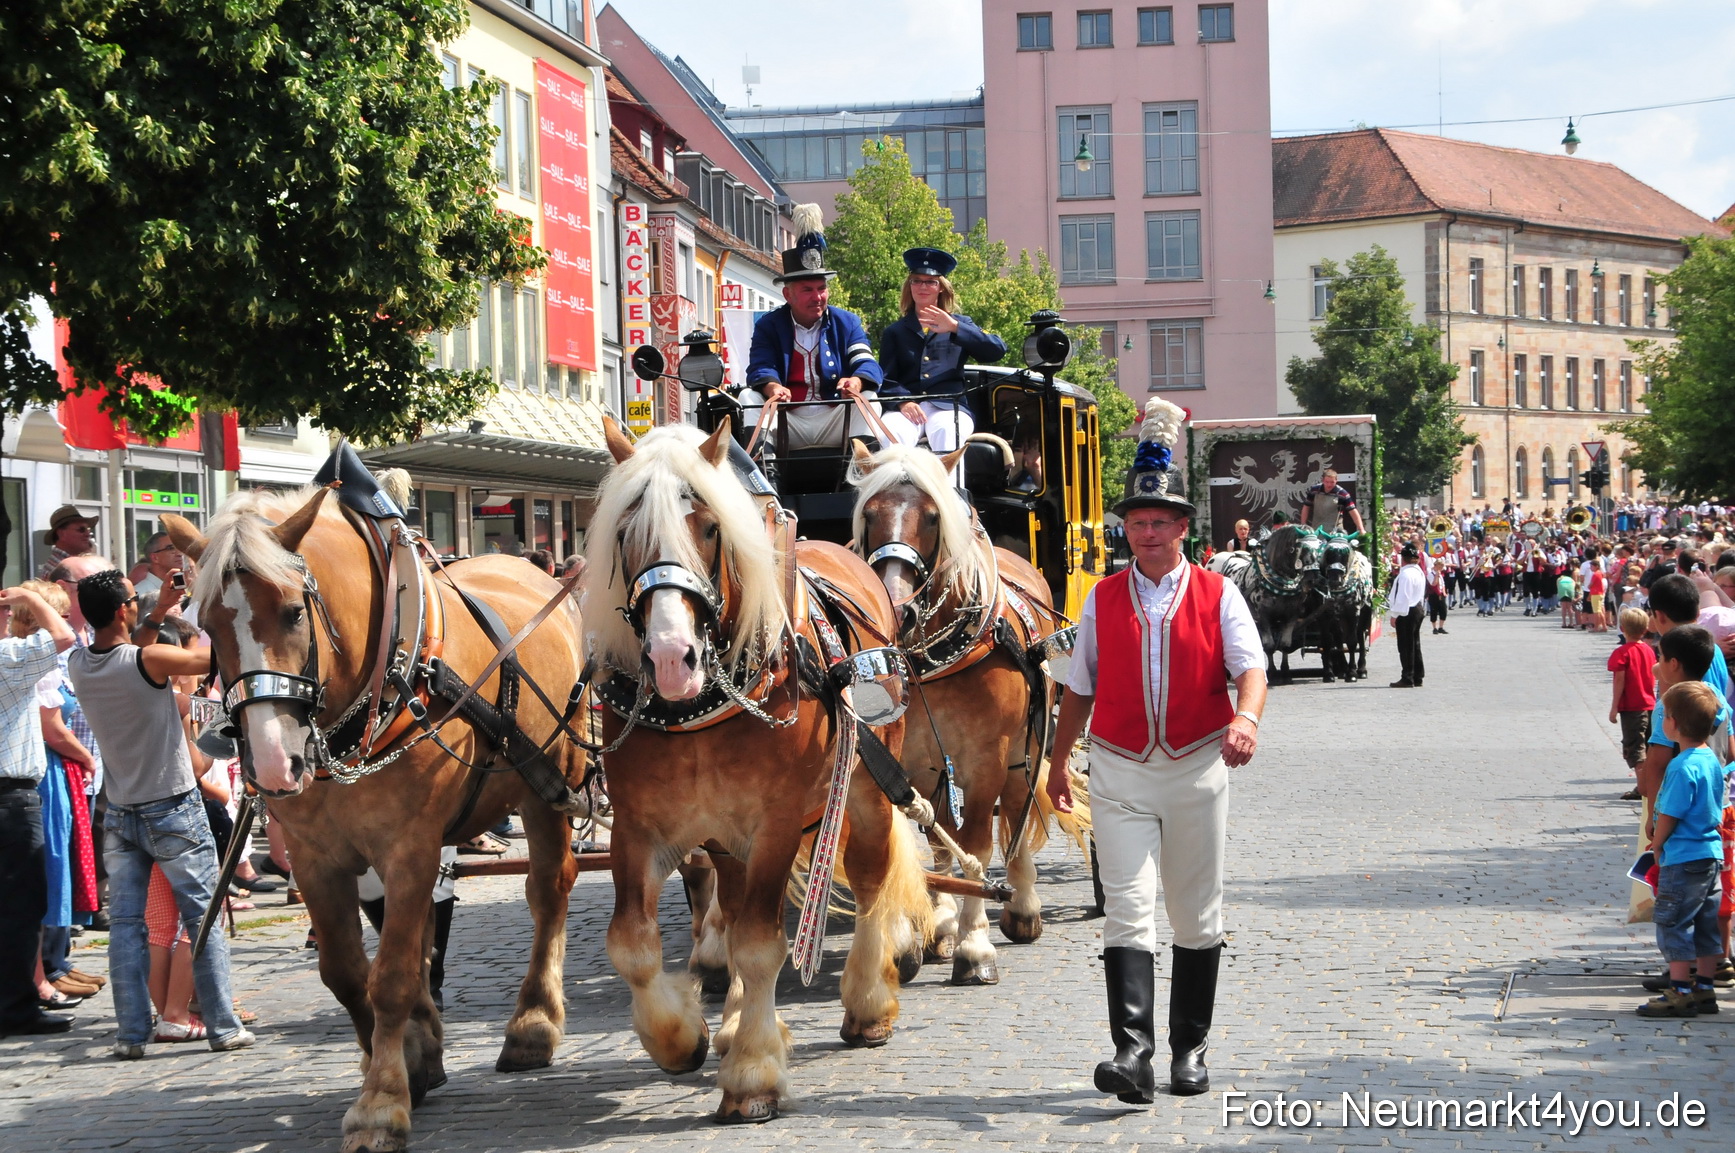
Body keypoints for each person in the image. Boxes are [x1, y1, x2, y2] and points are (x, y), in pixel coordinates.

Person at [1045, 397, 1267, 1101]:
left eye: (1158, 522)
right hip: (1117, 772)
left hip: (1198, 766)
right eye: (1136, 523)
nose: (1145, 533)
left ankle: (1186, 1050)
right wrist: (1056, 763)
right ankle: (1131, 1053)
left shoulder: (1216, 592)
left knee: (1195, 911)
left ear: (1180, 527)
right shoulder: (1102, 598)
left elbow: (1250, 669)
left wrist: (1247, 720)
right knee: (1126, 908)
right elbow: (1076, 686)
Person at [67, 568, 254, 1058]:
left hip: (122, 807)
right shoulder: (147, 659)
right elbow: (212, 656)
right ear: (121, 610)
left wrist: (156, 611)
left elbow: (133, 648)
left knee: (128, 926)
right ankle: (223, 1026)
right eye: (133, 599)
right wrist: (206, 606)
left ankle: (131, 1034)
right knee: (202, 917)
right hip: (171, 804)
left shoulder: (79, 664)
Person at [739, 204, 884, 452]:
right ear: (788, 294)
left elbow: (867, 363)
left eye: (821, 288)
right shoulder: (768, 325)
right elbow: (760, 367)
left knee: (869, 400)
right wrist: (774, 388)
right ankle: (766, 483)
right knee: (748, 399)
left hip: (836, 419)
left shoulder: (847, 322)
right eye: (807, 290)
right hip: (787, 420)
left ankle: (864, 477)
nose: (817, 297)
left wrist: (857, 382)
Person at [0, 583, 79, 1037]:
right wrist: (32, 602)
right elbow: (63, 637)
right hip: (10, 798)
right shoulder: (8, 660)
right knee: (19, 909)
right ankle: (14, 1007)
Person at [1638, 681, 1726, 1018]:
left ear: (1673, 722)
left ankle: (1680, 991)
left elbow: (1671, 812)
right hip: (1710, 854)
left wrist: (1657, 844)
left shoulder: (1681, 765)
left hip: (1683, 856)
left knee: (1674, 922)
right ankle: (1705, 987)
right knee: (1705, 922)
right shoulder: (1709, 761)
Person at [875, 247, 1007, 460]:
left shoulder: (961, 324)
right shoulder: (895, 331)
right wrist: (903, 402)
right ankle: (898, 493)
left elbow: (996, 350)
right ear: (909, 287)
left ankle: (949, 491)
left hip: (948, 406)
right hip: (908, 408)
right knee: (892, 432)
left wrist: (955, 327)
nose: (922, 286)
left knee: (947, 431)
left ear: (941, 288)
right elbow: (886, 378)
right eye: (916, 280)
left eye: (930, 281)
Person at [1611, 607, 1659, 801]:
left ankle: (1642, 787)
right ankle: (1648, 782)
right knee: (1648, 744)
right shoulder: (1649, 650)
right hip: (1650, 704)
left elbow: (1619, 680)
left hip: (1632, 706)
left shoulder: (1622, 652)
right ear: (1646, 628)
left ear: (1622, 628)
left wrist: (1614, 707)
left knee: (1635, 746)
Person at [1388, 543, 1426, 688]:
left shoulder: (1406, 574)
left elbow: (1403, 597)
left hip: (1407, 611)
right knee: (1415, 644)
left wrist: (1395, 615)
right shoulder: (1418, 571)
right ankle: (1418, 675)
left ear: (1403, 558)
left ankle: (1407, 676)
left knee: (1405, 645)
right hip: (1417, 608)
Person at [37, 505, 99, 579]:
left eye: (88, 529)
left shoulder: (70, 563)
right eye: (81, 529)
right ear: (61, 534)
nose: (87, 534)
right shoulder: (59, 569)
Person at [1297, 468, 1364, 535]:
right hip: (1317, 528)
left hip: (1335, 531)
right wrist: (1303, 524)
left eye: (1332, 482)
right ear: (1322, 480)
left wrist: (1361, 529)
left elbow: (1353, 511)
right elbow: (1306, 507)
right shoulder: (1314, 490)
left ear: (1336, 480)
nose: (1329, 485)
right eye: (1327, 482)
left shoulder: (1343, 494)